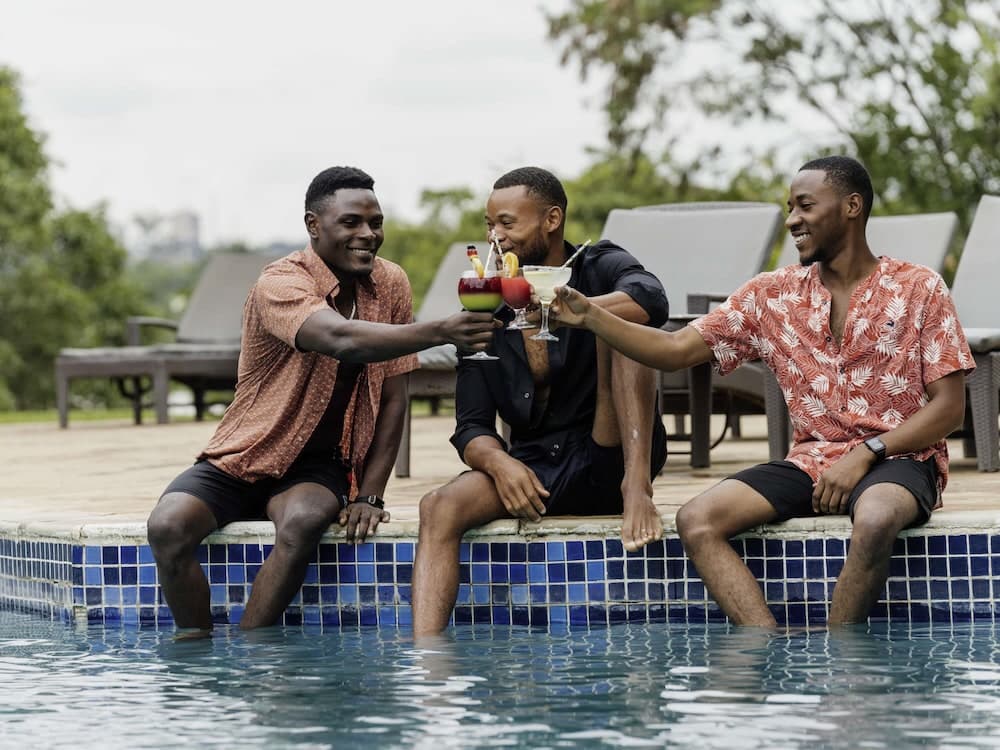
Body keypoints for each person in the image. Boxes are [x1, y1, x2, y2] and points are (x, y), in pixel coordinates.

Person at [551, 156, 974, 627]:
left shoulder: (919, 287)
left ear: (852, 206)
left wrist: (867, 453)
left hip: (900, 457)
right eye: (790, 208)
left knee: (875, 520)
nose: (792, 219)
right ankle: (766, 647)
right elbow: (673, 350)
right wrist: (590, 316)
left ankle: (841, 658)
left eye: (805, 206)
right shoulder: (771, 295)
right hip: (812, 461)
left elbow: (949, 409)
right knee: (698, 520)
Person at [147, 166, 498, 634]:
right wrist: (442, 330)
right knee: (167, 526)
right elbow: (340, 339)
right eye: (351, 222)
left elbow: (394, 397)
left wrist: (370, 494)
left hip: (320, 467)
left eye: (376, 223)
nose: (368, 234)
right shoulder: (280, 282)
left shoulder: (390, 283)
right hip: (246, 454)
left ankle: (252, 650)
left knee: (304, 521)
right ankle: (195, 648)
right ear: (314, 225)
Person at [411, 166, 670, 636]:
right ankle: (427, 657)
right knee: (438, 506)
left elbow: (651, 299)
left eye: (507, 223)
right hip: (534, 471)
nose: (495, 236)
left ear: (551, 220)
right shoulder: (487, 307)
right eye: (490, 224)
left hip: (610, 457)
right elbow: (471, 426)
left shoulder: (597, 264)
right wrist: (500, 464)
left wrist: (579, 312)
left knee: (627, 328)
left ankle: (638, 491)